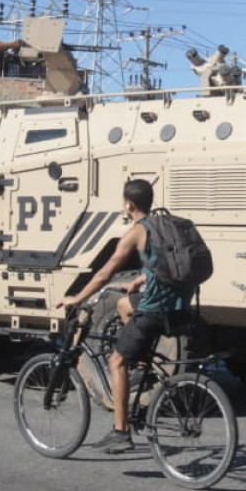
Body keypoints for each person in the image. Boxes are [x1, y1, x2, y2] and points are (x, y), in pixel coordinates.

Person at [59, 179, 188, 452]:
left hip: (155, 310)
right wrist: (140, 280)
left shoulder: (137, 231)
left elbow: (105, 273)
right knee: (124, 305)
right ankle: (142, 357)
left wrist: (77, 298)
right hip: (180, 306)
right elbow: (166, 265)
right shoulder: (167, 225)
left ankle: (120, 432)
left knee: (116, 361)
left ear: (129, 205)